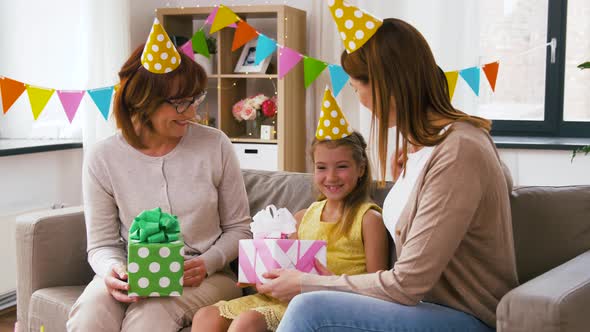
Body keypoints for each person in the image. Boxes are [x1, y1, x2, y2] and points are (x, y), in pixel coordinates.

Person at [257, 16, 519, 332]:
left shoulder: (458, 148)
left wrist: (307, 283)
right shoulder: (429, 150)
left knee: (308, 308)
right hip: (424, 309)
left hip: (465, 317)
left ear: (385, 84)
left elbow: (406, 284)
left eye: (357, 89)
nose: (363, 103)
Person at [67, 20, 251, 332]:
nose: (191, 112)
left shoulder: (214, 144)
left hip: (211, 276)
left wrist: (207, 263)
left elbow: (240, 229)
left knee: (151, 316)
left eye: (195, 99)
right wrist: (113, 271)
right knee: (89, 314)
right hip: (134, 270)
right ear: (143, 100)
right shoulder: (103, 157)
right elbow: (101, 244)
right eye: (180, 102)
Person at [193, 125, 389, 331]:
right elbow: (285, 269)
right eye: (321, 167)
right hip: (285, 298)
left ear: (361, 168)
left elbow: (379, 289)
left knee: (247, 322)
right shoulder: (302, 217)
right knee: (206, 316)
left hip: (326, 304)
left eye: (342, 166)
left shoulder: (368, 219)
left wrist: (331, 281)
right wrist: (261, 277)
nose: (331, 177)